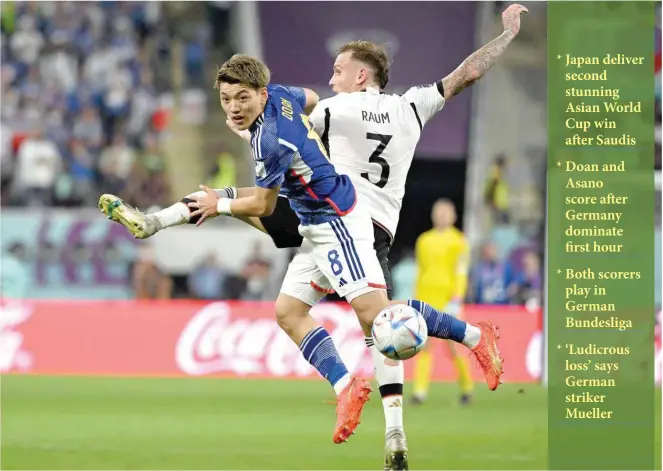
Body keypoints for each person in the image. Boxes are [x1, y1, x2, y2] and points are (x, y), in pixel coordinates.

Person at [99, 4, 526, 467]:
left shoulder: (332, 110)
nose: (333, 76)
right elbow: (466, 74)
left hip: (340, 215)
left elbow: (284, 131)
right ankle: (384, 424)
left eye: (339, 70)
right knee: (306, 312)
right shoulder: (411, 107)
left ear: (361, 76)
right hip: (356, 219)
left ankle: (463, 346)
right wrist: (506, 35)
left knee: (378, 320)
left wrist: (251, 131)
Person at [409, 199, 473, 406]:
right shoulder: (424, 240)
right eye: (439, 212)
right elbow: (420, 271)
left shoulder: (459, 241)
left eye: (446, 212)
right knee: (425, 346)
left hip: (448, 300)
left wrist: (457, 298)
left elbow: (461, 271)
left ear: (453, 216)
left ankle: (467, 388)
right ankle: (419, 392)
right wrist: (415, 299)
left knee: (454, 347)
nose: (442, 216)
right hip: (427, 299)